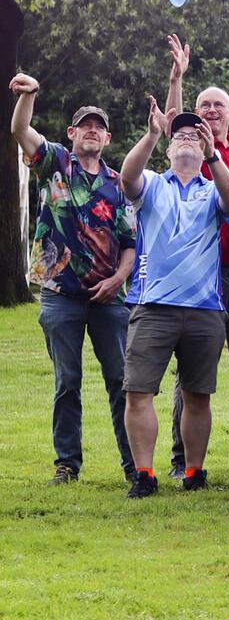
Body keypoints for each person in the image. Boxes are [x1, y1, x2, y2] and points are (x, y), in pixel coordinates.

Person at [10, 73, 136, 485]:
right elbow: (19, 130)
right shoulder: (55, 163)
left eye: (99, 127)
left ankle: (135, 464)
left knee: (121, 381)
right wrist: (30, 96)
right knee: (68, 381)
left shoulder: (118, 184)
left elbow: (130, 241)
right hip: (60, 292)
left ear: (107, 138)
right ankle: (67, 465)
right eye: (85, 125)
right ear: (72, 133)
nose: (92, 132)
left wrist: (119, 278)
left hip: (108, 297)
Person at [118, 102, 229, 497]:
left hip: (204, 309)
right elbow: (127, 177)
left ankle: (193, 472)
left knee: (197, 395)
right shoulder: (152, 184)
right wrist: (153, 133)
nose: (187, 139)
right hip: (153, 305)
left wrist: (213, 155)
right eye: (180, 136)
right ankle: (144, 474)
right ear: (169, 149)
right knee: (139, 392)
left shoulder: (211, 189)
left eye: (195, 135)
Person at [163, 37, 229, 475]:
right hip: (199, 274)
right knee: (190, 371)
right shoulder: (187, 149)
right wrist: (178, 78)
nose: (210, 111)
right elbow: (170, 122)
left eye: (218, 106)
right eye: (204, 106)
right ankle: (179, 457)